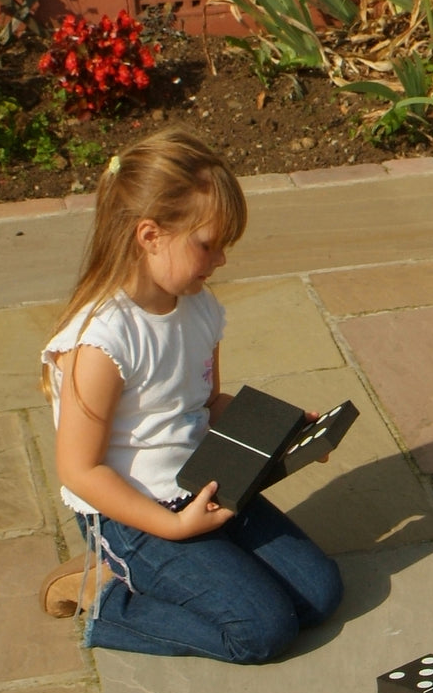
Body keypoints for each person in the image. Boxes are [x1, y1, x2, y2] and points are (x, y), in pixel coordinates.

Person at [37, 128, 342, 663]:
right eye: (208, 244)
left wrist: (287, 432)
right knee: (261, 632)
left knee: (319, 596)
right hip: (133, 516)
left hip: (205, 483)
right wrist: (172, 526)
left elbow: (204, 406)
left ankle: (203, 569)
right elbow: (79, 470)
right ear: (150, 235)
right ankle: (106, 597)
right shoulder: (102, 342)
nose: (221, 259)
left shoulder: (199, 307)